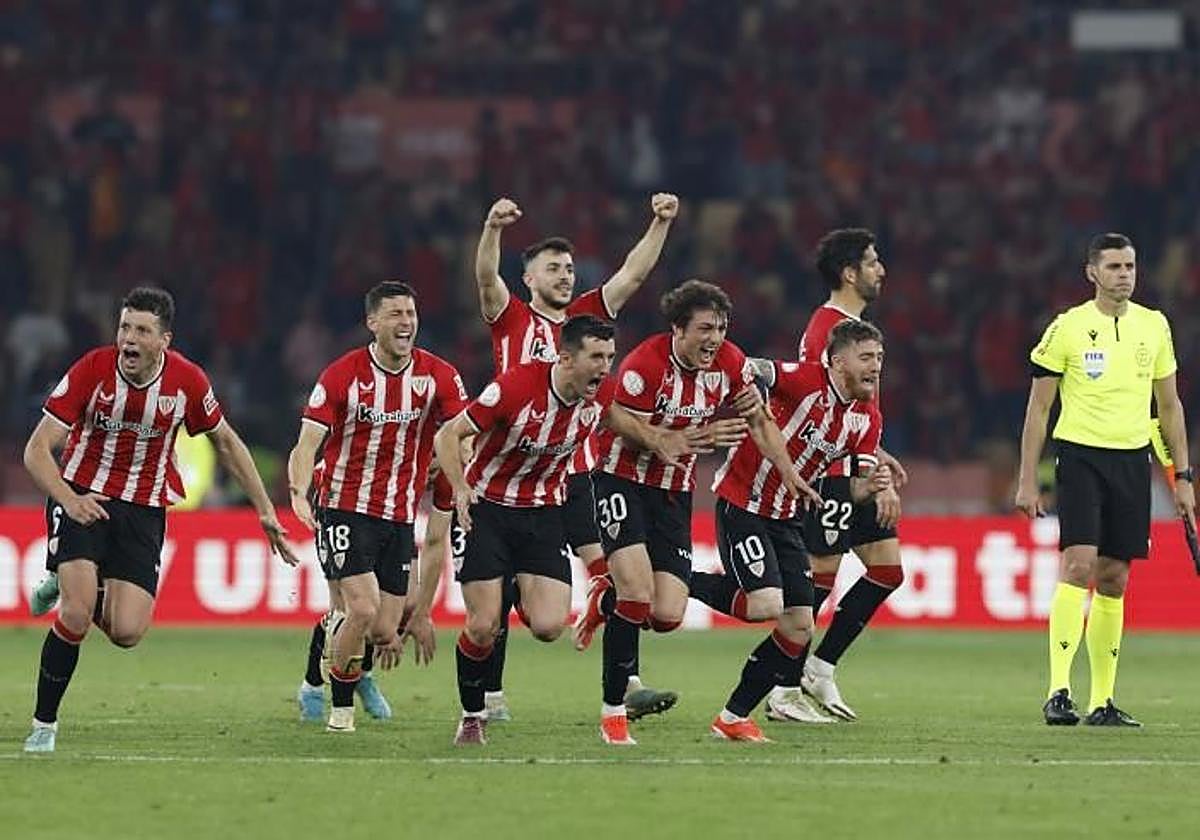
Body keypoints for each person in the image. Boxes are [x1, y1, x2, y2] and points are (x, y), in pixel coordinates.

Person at [21, 287, 298, 753]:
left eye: (141, 331)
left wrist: (266, 512)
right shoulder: (93, 369)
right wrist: (68, 500)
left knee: (127, 631)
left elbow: (226, 443)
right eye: (125, 327)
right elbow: (36, 449)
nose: (128, 338)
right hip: (83, 496)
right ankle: (43, 725)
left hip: (144, 510)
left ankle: (74, 588)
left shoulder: (187, 381)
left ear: (163, 340)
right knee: (75, 612)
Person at [433, 315, 702, 746]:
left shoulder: (601, 394)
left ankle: (517, 587)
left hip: (543, 515)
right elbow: (449, 434)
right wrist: (461, 487)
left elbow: (617, 419)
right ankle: (472, 714)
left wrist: (656, 440)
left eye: (609, 358)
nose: (604, 367)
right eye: (596, 357)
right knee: (483, 626)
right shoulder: (514, 389)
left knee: (548, 627)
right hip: (487, 511)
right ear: (564, 359)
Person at [574, 280, 813, 745]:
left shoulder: (730, 363)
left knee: (666, 615)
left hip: (674, 493)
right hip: (621, 479)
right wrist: (661, 438)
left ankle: (605, 599)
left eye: (721, 328)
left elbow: (761, 420)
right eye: (705, 328)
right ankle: (613, 714)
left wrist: (788, 472)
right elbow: (613, 415)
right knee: (638, 595)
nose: (715, 338)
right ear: (678, 329)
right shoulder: (645, 364)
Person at [471, 193, 679, 722]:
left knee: (610, 574)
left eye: (568, 268)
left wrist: (659, 222)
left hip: (575, 473)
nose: (564, 276)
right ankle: (490, 694)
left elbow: (632, 275)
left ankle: (625, 681)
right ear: (530, 280)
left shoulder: (588, 317)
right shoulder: (511, 317)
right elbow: (485, 277)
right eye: (552, 269)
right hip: (509, 475)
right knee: (496, 599)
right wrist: (493, 228)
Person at [1016, 232, 1195, 727]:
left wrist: (1182, 477)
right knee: (1078, 566)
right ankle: (1057, 692)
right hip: (1080, 458)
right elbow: (1039, 408)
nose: (1124, 275)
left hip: (1133, 462)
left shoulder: (1155, 327)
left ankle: (1102, 702)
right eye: (1114, 266)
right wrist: (1027, 479)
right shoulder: (1067, 328)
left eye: (1131, 266)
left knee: (1115, 577)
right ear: (1091, 272)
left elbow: (1169, 407)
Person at [287, 280, 467, 733]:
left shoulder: (438, 375)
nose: (406, 322)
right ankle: (329, 699)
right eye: (395, 314)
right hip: (343, 505)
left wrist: (452, 466)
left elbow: (464, 431)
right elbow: (308, 442)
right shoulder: (342, 374)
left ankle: (356, 671)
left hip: (398, 513)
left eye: (410, 313)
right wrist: (297, 492)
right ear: (372, 322)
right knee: (359, 609)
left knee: (385, 629)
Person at [697, 320, 891, 740]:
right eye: (866, 357)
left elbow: (854, 489)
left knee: (799, 625)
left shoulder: (868, 419)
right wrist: (743, 393)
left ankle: (731, 717)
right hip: (742, 503)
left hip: (787, 516)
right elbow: (750, 369)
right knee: (767, 605)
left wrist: (869, 488)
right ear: (837, 362)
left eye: (879, 358)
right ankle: (684, 580)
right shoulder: (804, 380)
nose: (876, 367)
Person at [765, 228, 904, 722]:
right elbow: (818, 408)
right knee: (819, 577)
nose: (880, 269)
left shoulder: (851, 326)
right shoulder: (827, 329)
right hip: (828, 473)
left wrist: (877, 454)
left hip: (855, 463)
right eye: (872, 261)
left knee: (887, 570)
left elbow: (854, 411)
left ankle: (819, 668)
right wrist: (863, 474)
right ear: (849, 273)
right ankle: (784, 689)